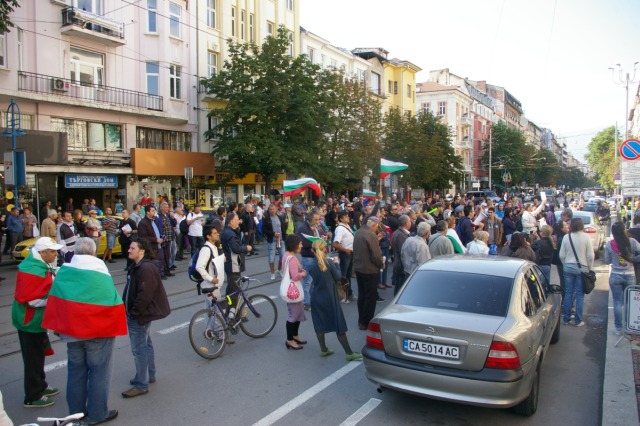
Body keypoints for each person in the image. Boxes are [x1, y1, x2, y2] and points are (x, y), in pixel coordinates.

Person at [42, 238, 126, 424]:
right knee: (99, 372)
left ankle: (75, 414)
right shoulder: (100, 270)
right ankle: (97, 414)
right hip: (98, 332)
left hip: (72, 333)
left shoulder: (64, 271)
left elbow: (56, 299)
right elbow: (111, 299)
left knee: (75, 372)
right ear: (94, 253)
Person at [12, 237, 62, 408]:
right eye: (53, 251)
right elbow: (32, 300)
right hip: (29, 321)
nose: (56, 254)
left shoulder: (38, 265)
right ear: (42, 253)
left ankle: (41, 384)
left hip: (36, 320)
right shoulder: (32, 270)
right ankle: (33, 395)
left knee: (38, 354)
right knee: (33, 358)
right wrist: (55, 299)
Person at [121, 238, 171, 398]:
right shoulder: (139, 266)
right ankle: (149, 375)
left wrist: (133, 312)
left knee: (139, 348)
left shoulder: (146, 268)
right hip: (141, 313)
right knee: (145, 344)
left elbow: (145, 295)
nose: (129, 250)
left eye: (132, 248)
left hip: (140, 315)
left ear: (141, 251)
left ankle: (141, 383)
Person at [308, 240, 362, 361]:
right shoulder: (329, 263)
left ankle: (323, 349)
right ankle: (349, 353)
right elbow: (338, 277)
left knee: (319, 323)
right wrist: (337, 263)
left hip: (316, 297)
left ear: (313, 251)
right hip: (330, 297)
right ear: (325, 250)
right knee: (338, 324)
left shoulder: (310, 265)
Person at [605, 222, 640, 335]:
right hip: (630, 275)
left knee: (617, 302)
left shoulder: (610, 245)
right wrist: (634, 259)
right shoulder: (632, 242)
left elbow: (607, 261)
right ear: (624, 230)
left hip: (615, 275)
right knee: (629, 302)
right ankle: (629, 325)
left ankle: (618, 328)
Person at [559, 218, 594, 327]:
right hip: (582, 268)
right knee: (579, 294)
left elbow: (561, 255)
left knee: (568, 293)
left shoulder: (566, 237)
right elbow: (590, 256)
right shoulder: (586, 237)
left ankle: (566, 318)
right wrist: (590, 268)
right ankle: (578, 320)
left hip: (568, 266)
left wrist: (565, 265)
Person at [196, 225, 229, 343]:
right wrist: (211, 279)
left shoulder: (214, 247)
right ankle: (220, 335)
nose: (217, 234)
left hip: (213, 285)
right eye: (215, 233)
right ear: (208, 236)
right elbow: (199, 267)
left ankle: (209, 331)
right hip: (210, 286)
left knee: (209, 310)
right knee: (217, 311)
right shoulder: (206, 249)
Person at [353, 216, 384, 330]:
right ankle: (365, 322)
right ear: (374, 225)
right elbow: (376, 255)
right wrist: (381, 264)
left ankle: (361, 320)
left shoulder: (359, 232)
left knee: (362, 295)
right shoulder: (370, 234)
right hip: (369, 269)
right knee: (370, 297)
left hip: (359, 268)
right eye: (377, 226)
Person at [221, 212, 252, 320]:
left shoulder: (229, 232)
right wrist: (246, 248)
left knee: (231, 289)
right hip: (233, 265)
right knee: (234, 290)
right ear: (231, 221)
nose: (239, 221)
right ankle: (232, 314)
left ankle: (229, 311)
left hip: (231, 265)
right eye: (237, 219)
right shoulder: (230, 234)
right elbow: (236, 248)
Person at [282, 235, 307, 350]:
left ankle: (295, 335)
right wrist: (303, 273)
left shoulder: (287, 255)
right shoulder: (291, 259)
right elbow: (295, 276)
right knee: (293, 315)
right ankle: (290, 340)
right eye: (300, 244)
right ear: (294, 245)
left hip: (291, 290)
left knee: (297, 313)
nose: (301, 245)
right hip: (293, 291)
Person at [332, 210, 355, 303]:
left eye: (348, 216)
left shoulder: (347, 226)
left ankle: (348, 294)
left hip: (350, 253)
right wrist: (345, 250)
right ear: (341, 219)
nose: (348, 217)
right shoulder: (340, 229)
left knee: (348, 275)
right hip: (345, 253)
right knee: (343, 276)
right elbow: (335, 244)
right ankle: (342, 296)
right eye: (345, 216)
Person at [262, 204, 284, 280]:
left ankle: (279, 269)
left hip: (281, 240)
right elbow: (264, 230)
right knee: (271, 258)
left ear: (276, 209)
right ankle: (272, 273)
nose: (272, 210)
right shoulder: (267, 219)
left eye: (273, 209)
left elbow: (283, 227)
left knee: (283, 256)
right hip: (272, 240)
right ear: (269, 210)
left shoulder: (280, 217)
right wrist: (273, 233)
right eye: (270, 209)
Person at [391, 215, 411, 295]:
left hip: (399, 264)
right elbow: (403, 252)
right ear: (406, 223)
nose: (411, 223)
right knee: (400, 290)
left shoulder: (398, 233)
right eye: (409, 221)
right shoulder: (401, 235)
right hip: (401, 266)